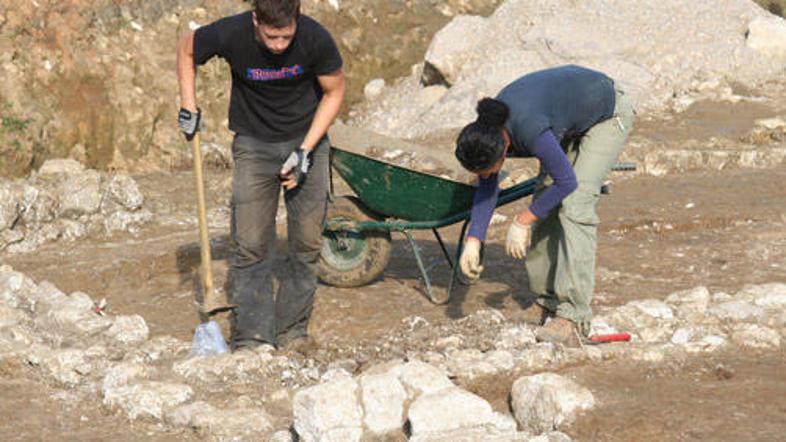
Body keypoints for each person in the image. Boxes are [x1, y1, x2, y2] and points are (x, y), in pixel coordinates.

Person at [176, 0, 345, 350]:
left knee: (307, 243)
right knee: (250, 245)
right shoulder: (231, 32)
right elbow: (187, 48)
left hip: (307, 140)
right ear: (256, 20)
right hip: (253, 145)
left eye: (286, 37)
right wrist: (188, 104)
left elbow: (334, 92)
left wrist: (305, 151)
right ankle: (253, 337)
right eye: (271, 37)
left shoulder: (315, 38)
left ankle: (292, 331)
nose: (279, 45)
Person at [455, 65, 634, 345]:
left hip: (606, 114)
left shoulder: (528, 128)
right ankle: (547, 301)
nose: (486, 176)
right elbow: (488, 184)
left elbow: (567, 181)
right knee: (545, 199)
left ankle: (573, 315)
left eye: (489, 169)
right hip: (565, 117)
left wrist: (522, 220)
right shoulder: (487, 130)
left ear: (504, 150)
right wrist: (474, 239)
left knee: (575, 204)